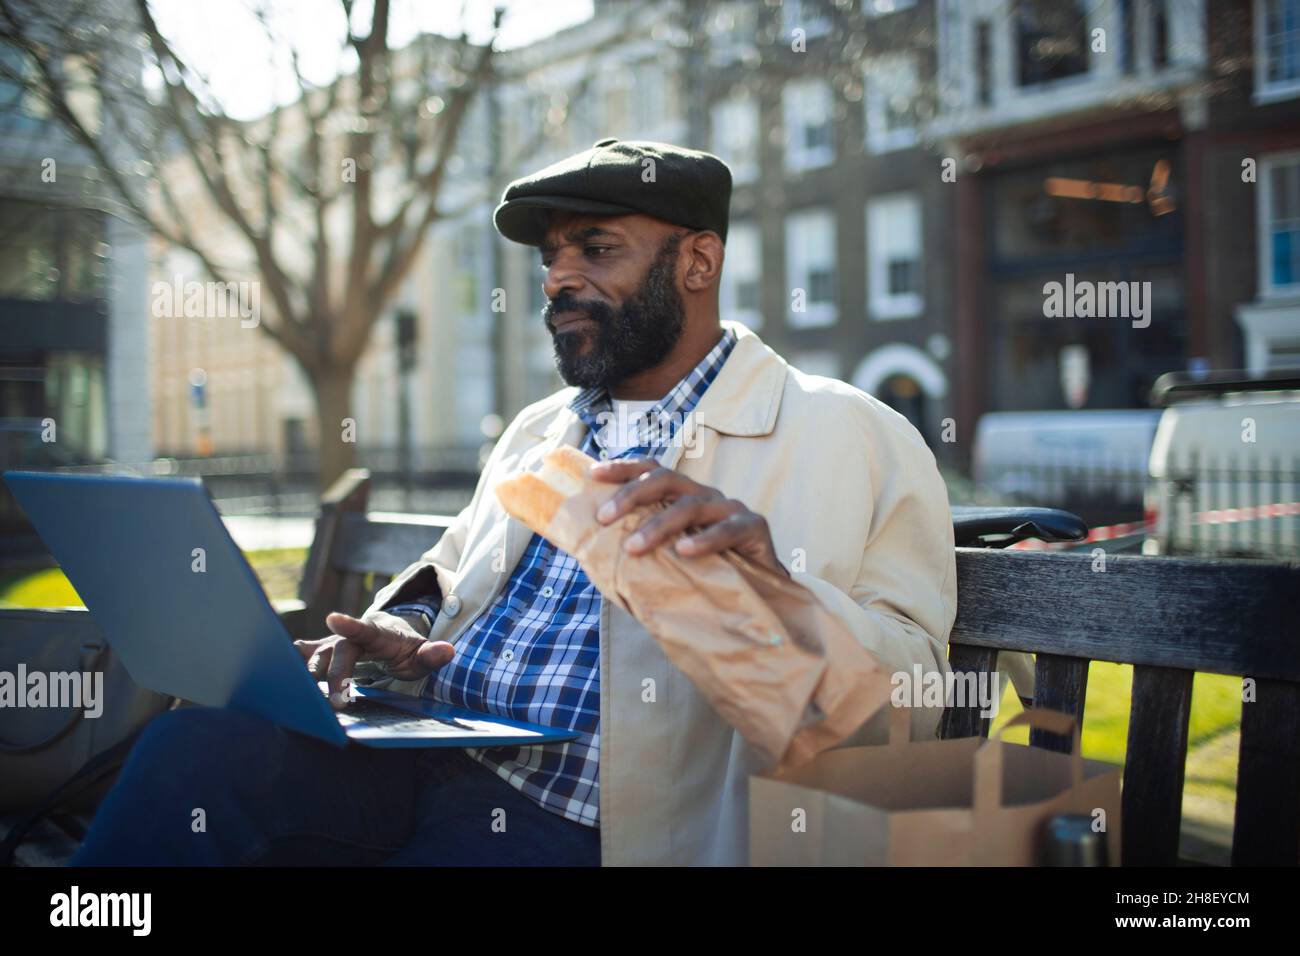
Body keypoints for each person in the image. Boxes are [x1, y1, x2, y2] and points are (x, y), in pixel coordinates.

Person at [73, 138, 955, 866]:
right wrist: (405, 636)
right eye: (551, 257)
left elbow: (913, 716)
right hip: (422, 754)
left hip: (587, 826)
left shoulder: (851, 434)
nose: (559, 278)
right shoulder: (542, 427)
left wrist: (776, 590)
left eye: (596, 248)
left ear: (699, 260)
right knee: (193, 754)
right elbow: (453, 569)